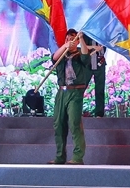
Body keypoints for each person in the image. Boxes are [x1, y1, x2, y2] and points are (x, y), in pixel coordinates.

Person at [48, 30, 90, 165]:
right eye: (67, 39)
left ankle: (77, 157)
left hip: (75, 92)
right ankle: (60, 156)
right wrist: (65, 46)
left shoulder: (79, 54)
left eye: (72, 39)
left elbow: (86, 57)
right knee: (58, 124)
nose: (69, 41)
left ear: (76, 42)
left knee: (74, 123)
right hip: (62, 92)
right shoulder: (62, 54)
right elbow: (54, 58)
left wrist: (81, 39)